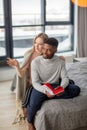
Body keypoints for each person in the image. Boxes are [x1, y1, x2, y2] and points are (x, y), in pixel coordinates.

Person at [27, 37, 80, 130]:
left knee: (76, 89)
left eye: (49, 50)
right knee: (34, 103)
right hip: (42, 86)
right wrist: (45, 91)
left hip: (55, 86)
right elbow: (35, 83)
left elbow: (65, 78)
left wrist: (61, 88)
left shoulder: (60, 62)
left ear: (55, 50)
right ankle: (30, 122)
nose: (45, 52)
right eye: (44, 48)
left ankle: (51, 95)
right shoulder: (35, 62)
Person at [7, 33, 48, 124]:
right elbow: (21, 75)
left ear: (45, 45)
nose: (37, 46)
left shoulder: (48, 55)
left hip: (45, 83)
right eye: (35, 42)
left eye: (40, 44)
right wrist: (17, 66)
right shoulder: (30, 55)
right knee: (25, 111)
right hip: (33, 85)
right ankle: (27, 118)